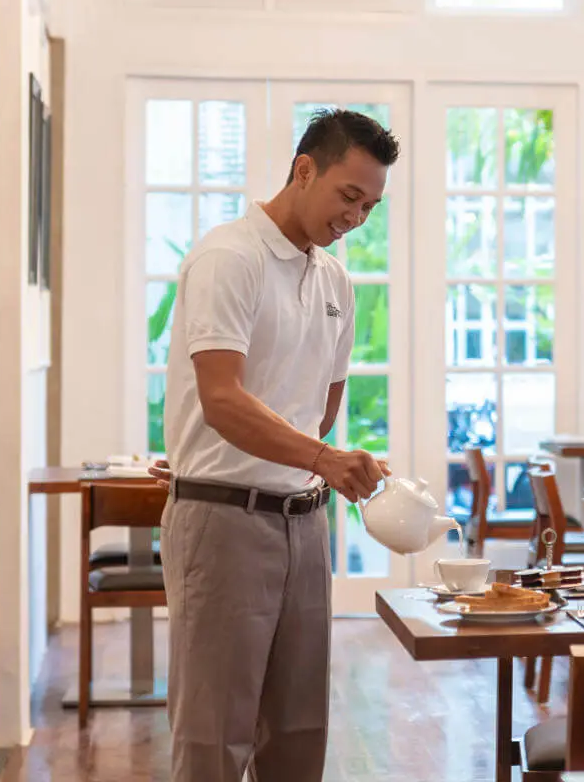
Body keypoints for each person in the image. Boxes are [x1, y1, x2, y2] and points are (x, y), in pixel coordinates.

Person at [151, 108, 398, 781]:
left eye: (371, 206)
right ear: (303, 169)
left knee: (297, 732)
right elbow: (223, 399)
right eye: (348, 196)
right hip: (223, 521)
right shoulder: (230, 256)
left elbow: (317, 408)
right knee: (214, 741)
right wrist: (318, 458)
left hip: (303, 524)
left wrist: (330, 465)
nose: (355, 218)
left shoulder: (335, 282)